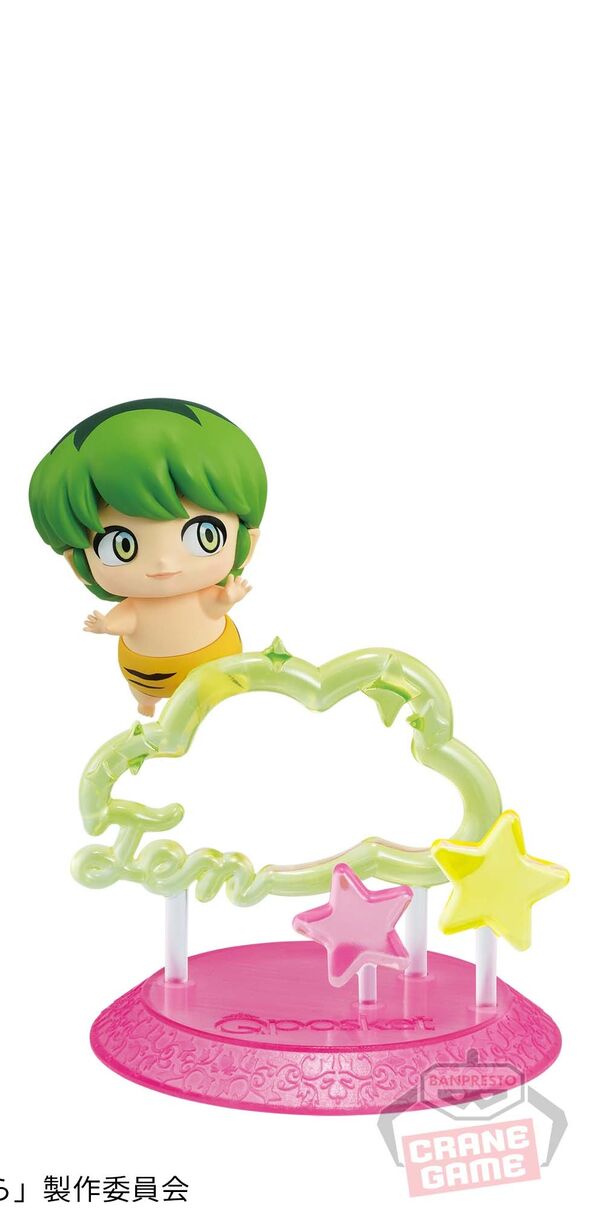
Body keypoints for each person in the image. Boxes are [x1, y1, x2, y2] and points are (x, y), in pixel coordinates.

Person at [29, 398, 267, 715]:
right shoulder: (135, 607)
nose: (164, 562)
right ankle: (146, 702)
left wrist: (230, 596)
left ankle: (219, 695)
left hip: (215, 659)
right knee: (144, 692)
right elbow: (127, 620)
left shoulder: (202, 595)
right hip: (150, 675)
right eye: (121, 546)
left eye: (204, 535)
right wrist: (106, 625)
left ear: (247, 542)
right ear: (78, 564)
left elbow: (215, 606)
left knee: (220, 685)